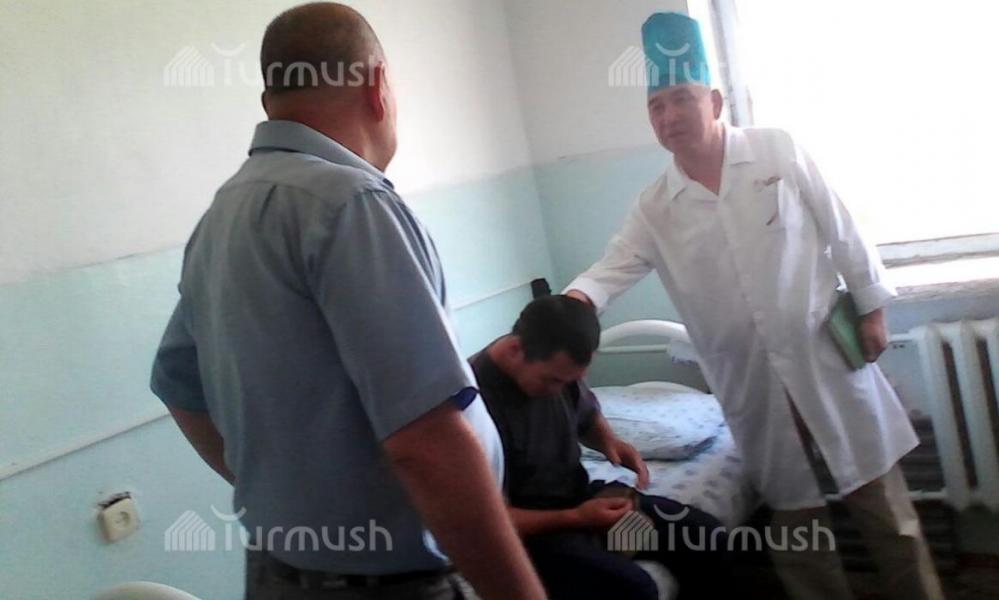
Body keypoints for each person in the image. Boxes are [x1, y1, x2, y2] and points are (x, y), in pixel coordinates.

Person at [149, 4, 546, 599]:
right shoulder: (352, 205)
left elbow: (179, 387)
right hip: (384, 586)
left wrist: (290, 500)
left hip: (277, 572)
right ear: (378, 86)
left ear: (269, 102)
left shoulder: (222, 215)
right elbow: (428, 443)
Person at [564, 12, 944, 600]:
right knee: (799, 529)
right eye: (656, 106)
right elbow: (610, 269)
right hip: (751, 384)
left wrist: (871, 308)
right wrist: (572, 304)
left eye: (682, 99)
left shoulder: (776, 151)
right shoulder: (655, 206)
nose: (668, 116)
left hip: (825, 361)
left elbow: (841, 227)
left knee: (887, 515)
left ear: (715, 101)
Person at [470, 295, 731, 600]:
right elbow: (487, 522)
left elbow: (586, 415)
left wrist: (610, 443)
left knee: (705, 537)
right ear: (516, 349)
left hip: (578, 502)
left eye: (571, 381)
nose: (559, 390)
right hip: (528, 535)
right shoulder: (471, 405)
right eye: (552, 381)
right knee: (633, 589)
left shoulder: (557, 366)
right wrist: (578, 518)